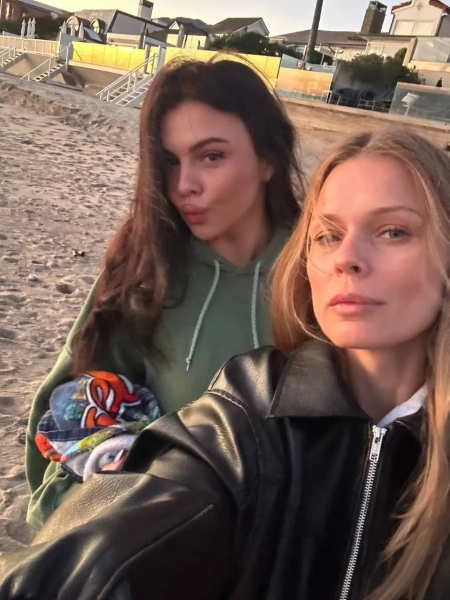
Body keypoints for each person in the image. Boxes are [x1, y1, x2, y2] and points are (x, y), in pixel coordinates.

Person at [4, 127, 449, 600]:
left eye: (394, 231)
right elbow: (98, 549)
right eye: (328, 235)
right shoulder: (247, 413)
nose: (347, 258)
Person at [25, 58, 304, 529]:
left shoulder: (325, 273)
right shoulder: (147, 271)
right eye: (170, 162)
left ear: (268, 159)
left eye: (211, 156)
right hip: (169, 542)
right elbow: (63, 415)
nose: (183, 186)